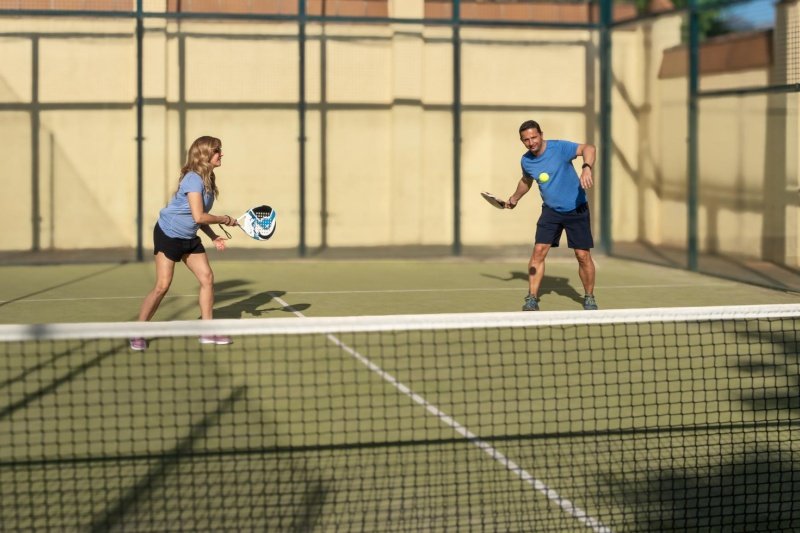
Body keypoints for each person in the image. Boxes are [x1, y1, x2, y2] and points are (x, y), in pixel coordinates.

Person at [130, 135, 239, 350]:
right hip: (168, 234)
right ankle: (137, 331)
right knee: (162, 286)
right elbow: (199, 216)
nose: (221, 154)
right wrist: (224, 219)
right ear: (206, 154)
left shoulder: (209, 180)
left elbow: (197, 217)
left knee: (207, 278)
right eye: (217, 150)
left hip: (189, 237)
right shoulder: (193, 179)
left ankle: (207, 331)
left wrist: (213, 236)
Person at [506, 120, 598, 312]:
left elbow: (589, 148)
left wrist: (586, 167)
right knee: (538, 252)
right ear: (522, 141)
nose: (531, 142)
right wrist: (514, 198)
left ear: (541, 134)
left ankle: (589, 296)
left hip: (577, 208)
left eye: (534, 137)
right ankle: (532, 297)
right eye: (526, 140)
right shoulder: (526, 161)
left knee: (582, 256)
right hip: (551, 211)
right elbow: (526, 180)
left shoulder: (560, 148)